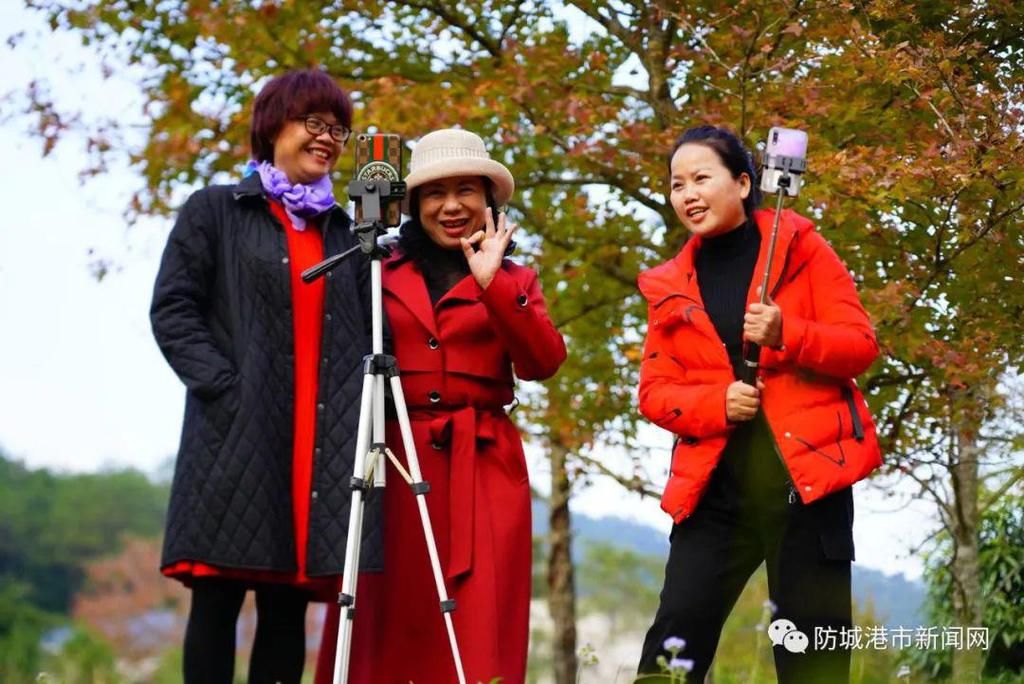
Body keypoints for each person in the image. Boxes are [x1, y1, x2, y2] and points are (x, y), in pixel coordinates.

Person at [151, 69, 381, 684]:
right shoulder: (216, 209)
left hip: (323, 440)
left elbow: (375, 324)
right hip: (237, 431)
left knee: (289, 604)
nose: (328, 138)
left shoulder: (347, 232)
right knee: (218, 595)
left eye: (338, 129)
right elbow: (173, 309)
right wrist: (224, 389)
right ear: (272, 123)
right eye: (315, 123)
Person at [314, 128, 567, 684]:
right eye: (435, 193)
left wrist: (493, 283)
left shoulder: (516, 279)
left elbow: (543, 362)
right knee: (388, 609)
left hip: (481, 465)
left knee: (482, 616)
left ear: (488, 200)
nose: (451, 206)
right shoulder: (379, 268)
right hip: (390, 454)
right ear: (415, 204)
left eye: (465, 190)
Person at [635, 125, 883, 683]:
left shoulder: (800, 248)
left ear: (745, 182)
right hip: (716, 490)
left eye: (702, 178)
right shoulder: (671, 285)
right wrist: (718, 403)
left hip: (807, 484)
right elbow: (654, 393)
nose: (688, 194)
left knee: (811, 658)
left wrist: (787, 332)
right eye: (677, 185)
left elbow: (860, 345)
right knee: (674, 640)